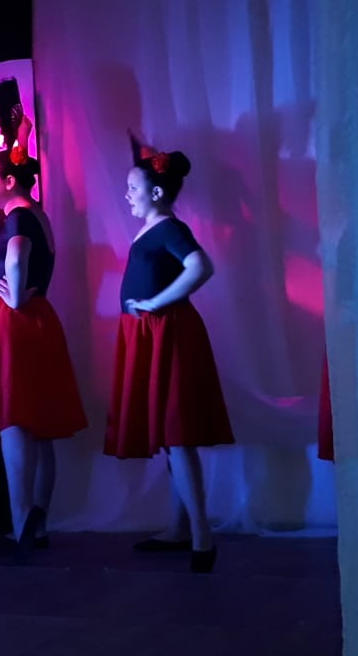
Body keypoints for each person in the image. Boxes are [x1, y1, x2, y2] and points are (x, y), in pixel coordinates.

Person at [105, 147, 234, 573]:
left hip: (167, 333)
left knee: (178, 435)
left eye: (133, 188)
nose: (127, 195)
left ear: (156, 192)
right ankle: (181, 529)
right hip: (149, 333)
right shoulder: (152, 230)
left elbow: (201, 266)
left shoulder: (168, 229)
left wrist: (156, 303)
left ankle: (202, 538)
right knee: (170, 434)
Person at [0, 114, 87, 563]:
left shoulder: (18, 217)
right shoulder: (38, 214)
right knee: (39, 426)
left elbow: (17, 253)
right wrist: (22, 137)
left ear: (9, 181)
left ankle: (21, 525)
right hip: (39, 320)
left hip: (13, 322)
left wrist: (14, 297)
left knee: (15, 419)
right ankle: (40, 522)